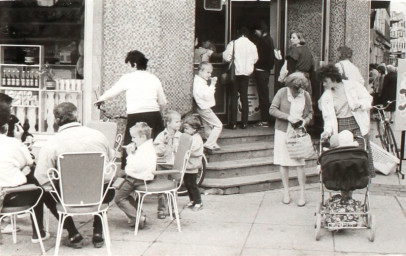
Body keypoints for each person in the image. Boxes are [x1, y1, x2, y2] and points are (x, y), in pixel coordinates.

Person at [35, 102, 115, 249]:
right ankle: (98, 231)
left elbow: (42, 178)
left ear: (57, 120)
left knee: (44, 192)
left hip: (68, 197)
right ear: (77, 116)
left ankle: (72, 232)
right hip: (98, 194)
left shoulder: (51, 143)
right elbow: (110, 163)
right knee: (106, 184)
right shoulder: (98, 136)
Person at [95, 50, 167, 170]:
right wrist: (160, 114)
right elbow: (163, 102)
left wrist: (100, 99)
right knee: (152, 145)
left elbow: (113, 91)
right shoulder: (154, 78)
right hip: (154, 116)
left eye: (128, 65)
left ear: (133, 64)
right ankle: (151, 171)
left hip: (136, 116)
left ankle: (130, 172)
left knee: (132, 144)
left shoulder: (128, 78)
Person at [318, 64, 374, 199]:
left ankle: (354, 191)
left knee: (359, 159)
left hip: (357, 124)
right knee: (343, 160)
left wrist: (360, 105)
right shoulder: (326, 96)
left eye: (325, 81)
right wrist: (327, 132)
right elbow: (328, 118)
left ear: (332, 77)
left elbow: (368, 99)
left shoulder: (353, 86)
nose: (324, 84)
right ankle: (346, 196)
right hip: (340, 127)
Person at [0, 102, 49, 244]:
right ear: (6, 127)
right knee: (38, 188)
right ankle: (38, 232)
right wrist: (18, 140)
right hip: (12, 199)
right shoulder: (13, 143)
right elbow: (29, 162)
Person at [269, 72, 313, 206]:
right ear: (290, 85)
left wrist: (304, 122)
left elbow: (310, 113)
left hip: (298, 132)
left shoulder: (305, 95)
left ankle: (302, 193)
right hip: (283, 131)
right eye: (295, 89)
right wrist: (288, 117)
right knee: (284, 162)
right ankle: (286, 191)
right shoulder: (282, 92)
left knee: (300, 163)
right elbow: (272, 109)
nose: (297, 91)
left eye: (300, 89)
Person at [114, 122, 156, 229]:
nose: (132, 140)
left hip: (137, 178)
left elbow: (134, 167)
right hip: (141, 176)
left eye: (134, 137)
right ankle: (139, 215)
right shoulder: (146, 147)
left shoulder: (144, 150)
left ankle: (137, 218)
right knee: (124, 194)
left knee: (119, 198)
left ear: (142, 137)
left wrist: (130, 155)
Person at [223, 26, 258, 129]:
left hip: (235, 73)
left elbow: (226, 57)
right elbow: (255, 59)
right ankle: (244, 123)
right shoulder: (252, 45)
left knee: (234, 97)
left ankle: (233, 123)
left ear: (239, 33)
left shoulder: (233, 43)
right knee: (244, 97)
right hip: (246, 73)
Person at [154, 110, 182, 219]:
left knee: (174, 188)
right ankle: (161, 210)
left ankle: (173, 209)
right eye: (176, 122)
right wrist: (164, 144)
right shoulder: (162, 136)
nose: (179, 124)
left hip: (174, 165)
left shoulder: (180, 136)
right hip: (163, 165)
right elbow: (157, 152)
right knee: (161, 188)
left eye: (180, 121)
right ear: (168, 123)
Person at [193, 61, 222, 151]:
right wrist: (212, 85)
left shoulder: (200, 81)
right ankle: (209, 144)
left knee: (207, 125)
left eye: (210, 72)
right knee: (218, 125)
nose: (209, 75)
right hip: (204, 108)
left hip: (202, 107)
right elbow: (207, 96)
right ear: (200, 71)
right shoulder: (199, 83)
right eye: (208, 72)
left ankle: (211, 142)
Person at [252, 22, 275, 127]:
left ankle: (264, 120)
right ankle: (266, 119)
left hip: (260, 71)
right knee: (265, 95)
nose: (255, 33)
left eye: (256, 31)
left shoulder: (261, 42)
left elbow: (258, 58)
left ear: (260, 30)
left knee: (263, 96)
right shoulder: (270, 40)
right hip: (266, 71)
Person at [182, 116, 204, 211]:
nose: (184, 130)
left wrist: (186, 149)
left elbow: (194, 150)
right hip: (187, 165)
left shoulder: (196, 139)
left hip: (193, 165)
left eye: (187, 128)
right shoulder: (190, 137)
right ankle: (192, 200)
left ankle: (198, 202)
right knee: (187, 183)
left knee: (192, 184)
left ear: (194, 129)